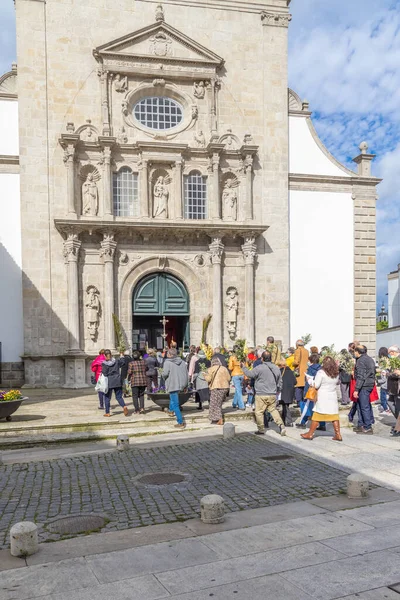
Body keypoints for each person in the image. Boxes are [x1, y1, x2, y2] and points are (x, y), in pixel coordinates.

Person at [242, 351, 286, 436]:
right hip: (272, 393)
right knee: (273, 410)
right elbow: (280, 381)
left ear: (262, 359)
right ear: (271, 358)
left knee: (259, 412)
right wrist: (278, 389)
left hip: (261, 393)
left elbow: (250, 374)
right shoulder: (276, 368)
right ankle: (281, 425)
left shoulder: (259, 367)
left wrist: (244, 367)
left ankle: (261, 429)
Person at [301, 356, 342, 441]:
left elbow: (316, 385)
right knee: (334, 416)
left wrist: (309, 380)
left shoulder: (321, 372)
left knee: (317, 415)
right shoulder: (336, 373)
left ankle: (310, 434)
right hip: (332, 396)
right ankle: (338, 434)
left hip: (323, 396)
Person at [162, 348, 189, 429]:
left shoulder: (167, 362)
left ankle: (180, 422)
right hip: (181, 383)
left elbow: (165, 373)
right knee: (173, 398)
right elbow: (186, 374)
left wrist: (163, 375)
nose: (166, 354)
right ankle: (170, 411)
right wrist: (186, 385)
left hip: (173, 383)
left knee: (176, 404)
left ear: (170, 355)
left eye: (167, 353)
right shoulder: (183, 362)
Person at [353, 345, 376, 434]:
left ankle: (367, 427)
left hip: (364, 385)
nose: (354, 353)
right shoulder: (369, 358)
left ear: (358, 352)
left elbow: (361, 376)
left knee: (364, 406)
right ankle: (361, 424)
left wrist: (356, 389)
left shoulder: (361, 361)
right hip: (369, 384)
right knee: (361, 405)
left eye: (355, 351)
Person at [296, 353, 321, 429]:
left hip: (310, 390)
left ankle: (302, 422)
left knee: (306, 407)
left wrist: (305, 393)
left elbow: (308, 381)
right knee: (319, 408)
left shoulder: (310, 369)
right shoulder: (321, 369)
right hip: (318, 391)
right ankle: (322, 424)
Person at [101, 350, 129, 418]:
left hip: (109, 381)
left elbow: (104, 373)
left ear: (105, 355)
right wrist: (122, 356)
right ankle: (124, 406)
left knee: (107, 397)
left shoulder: (104, 364)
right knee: (119, 396)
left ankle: (107, 412)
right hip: (117, 380)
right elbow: (123, 363)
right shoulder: (116, 361)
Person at [204, 356, 231, 425]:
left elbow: (209, 379)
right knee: (218, 403)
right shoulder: (224, 368)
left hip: (216, 387)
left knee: (215, 404)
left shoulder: (211, 369)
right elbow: (229, 378)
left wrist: (205, 375)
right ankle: (216, 418)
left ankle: (219, 419)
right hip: (225, 388)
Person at [278, 358, 296, 427]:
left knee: (285, 406)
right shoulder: (291, 372)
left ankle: (289, 421)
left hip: (283, 391)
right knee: (285, 405)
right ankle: (283, 419)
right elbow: (295, 382)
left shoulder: (279, 372)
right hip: (290, 391)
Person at [293, 339, 309, 405]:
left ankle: (299, 402)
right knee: (304, 386)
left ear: (297, 344)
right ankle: (303, 400)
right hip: (305, 370)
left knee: (298, 386)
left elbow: (296, 362)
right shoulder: (307, 351)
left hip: (299, 370)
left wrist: (292, 363)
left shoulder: (297, 351)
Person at [377, 347, 390, 414]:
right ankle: (386, 407)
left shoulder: (382, 360)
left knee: (383, 396)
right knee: (387, 395)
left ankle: (385, 408)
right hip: (389, 381)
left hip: (384, 380)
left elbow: (382, 370)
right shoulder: (389, 359)